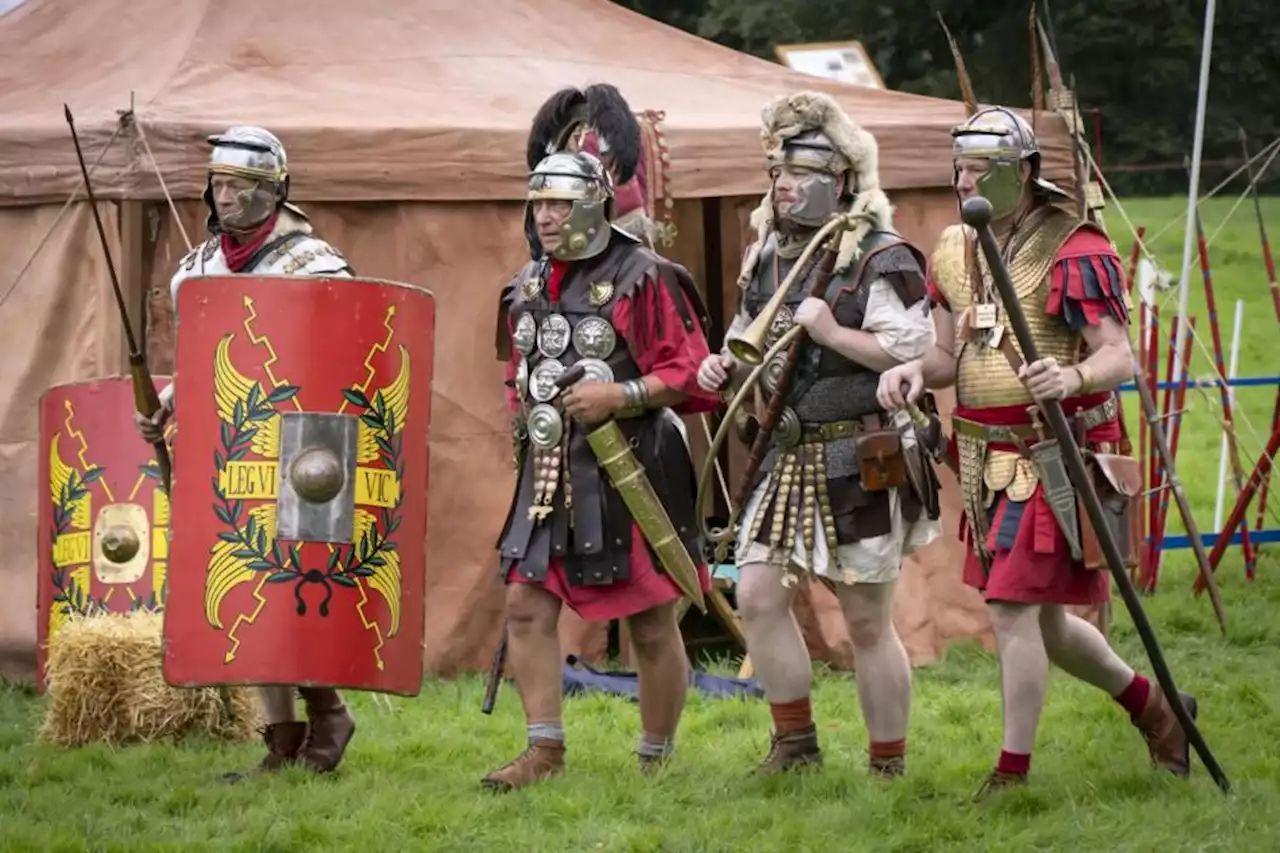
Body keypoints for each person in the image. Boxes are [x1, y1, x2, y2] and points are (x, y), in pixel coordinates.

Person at [875, 106, 1195, 798]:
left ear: (1019, 171)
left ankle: (1011, 775)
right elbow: (947, 353)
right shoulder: (954, 249)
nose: (961, 180)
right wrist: (911, 371)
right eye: (956, 167)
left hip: (1056, 454)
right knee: (1043, 622)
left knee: (1011, 609)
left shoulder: (1074, 247)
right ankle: (1156, 707)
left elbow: (1120, 356)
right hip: (984, 457)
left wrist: (1072, 375)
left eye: (974, 168)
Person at [696, 91, 942, 779]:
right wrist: (723, 361)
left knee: (866, 620)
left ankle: (887, 764)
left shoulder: (880, 254)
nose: (783, 185)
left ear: (839, 180)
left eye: (798, 174)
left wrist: (833, 332)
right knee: (758, 593)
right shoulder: (768, 253)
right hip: (786, 450)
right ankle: (795, 743)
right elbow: (752, 335)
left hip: (859, 450)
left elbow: (910, 351)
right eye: (777, 172)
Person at [487, 145, 718, 792]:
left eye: (561, 203)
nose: (549, 216)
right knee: (525, 601)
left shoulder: (644, 276)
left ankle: (655, 755)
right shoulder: (527, 281)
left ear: (593, 205)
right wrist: (525, 415)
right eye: (540, 203)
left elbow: (693, 375)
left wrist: (620, 395)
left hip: (633, 465)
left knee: (649, 619)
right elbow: (518, 370)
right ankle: (543, 750)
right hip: (553, 465)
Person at [134, 125, 358, 781]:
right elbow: (207, 360)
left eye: (237, 186)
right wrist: (170, 403)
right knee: (243, 590)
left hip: (295, 451)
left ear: (271, 191)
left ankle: (329, 711)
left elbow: (342, 352)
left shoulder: (313, 265)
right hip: (225, 444)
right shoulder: (198, 268)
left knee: (285, 585)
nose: (223, 196)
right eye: (218, 184)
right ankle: (283, 736)